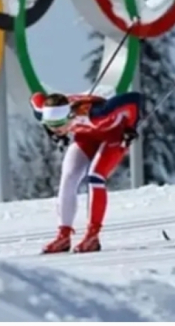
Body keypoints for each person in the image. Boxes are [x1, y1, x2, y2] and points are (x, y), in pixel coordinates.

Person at [31, 90, 143, 254]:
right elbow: (36, 97)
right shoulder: (44, 112)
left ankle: (92, 236)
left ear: (69, 116)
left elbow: (133, 99)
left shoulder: (97, 114)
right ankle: (63, 235)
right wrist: (51, 130)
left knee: (95, 176)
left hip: (113, 135)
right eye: (50, 126)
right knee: (68, 177)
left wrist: (130, 126)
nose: (56, 130)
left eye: (59, 125)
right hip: (85, 137)